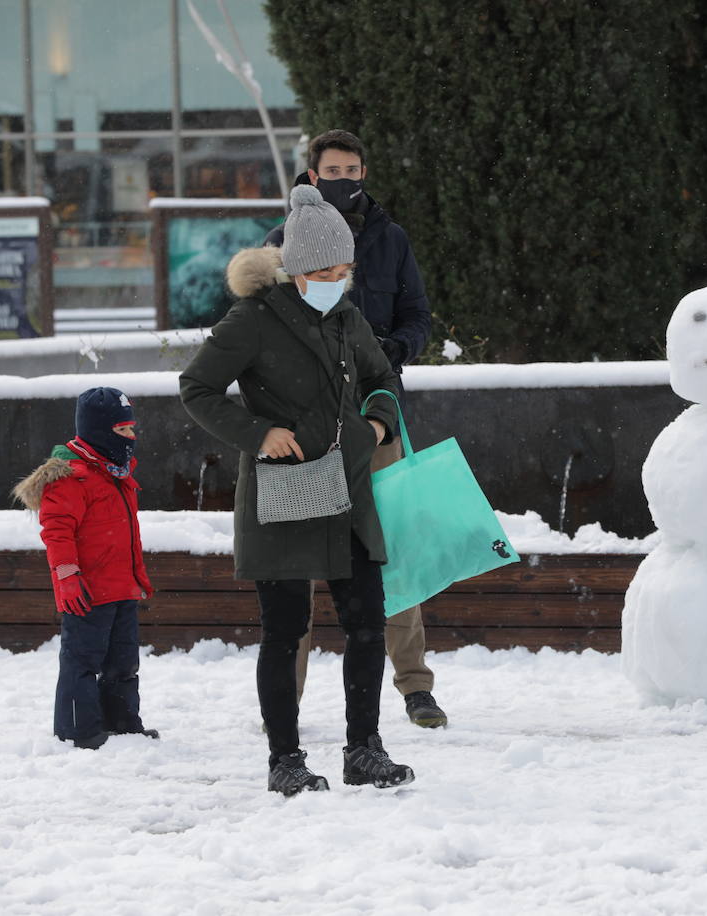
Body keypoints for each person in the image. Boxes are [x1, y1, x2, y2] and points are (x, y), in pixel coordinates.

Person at [180, 183, 414, 795]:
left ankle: (364, 748)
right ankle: (284, 758)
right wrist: (258, 434)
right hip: (284, 493)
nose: (344, 278)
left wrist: (376, 421)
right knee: (284, 631)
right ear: (302, 269)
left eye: (348, 268)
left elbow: (383, 375)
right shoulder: (252, 320)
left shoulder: (347, 316)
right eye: (332, 269)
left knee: (367, 623)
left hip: (349, 489)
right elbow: (196, 389)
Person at [263, 129, 446, 730]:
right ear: (311, 177)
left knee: (391, 551)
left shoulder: (388, 239)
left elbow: (418, 314)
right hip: (307, 427)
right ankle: (284, 696)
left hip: (376, 417)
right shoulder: (280, 243)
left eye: (352, 168)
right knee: (298, 556)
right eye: (331, 169)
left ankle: (415, 686)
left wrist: (392, 348)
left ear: (364, 171)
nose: (343, 178)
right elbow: (252, 330)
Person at [13, 386, 157, 749]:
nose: (131, 437)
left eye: (131, 429)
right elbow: (57, 532)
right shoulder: (71, 476)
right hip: (88, 591)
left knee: (123, 662)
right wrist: (68, 576)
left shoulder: (115, 472)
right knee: (82, 661)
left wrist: (137, 577)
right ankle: (78, 729)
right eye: (122, 430)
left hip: (121, 585)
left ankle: (122, 722)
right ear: (99, 431)